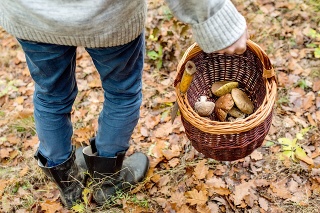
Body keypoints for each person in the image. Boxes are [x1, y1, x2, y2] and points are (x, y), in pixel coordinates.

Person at [0, 0, 248, 208]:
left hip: (32, 14)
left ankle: (69, 187)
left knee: (50, 95)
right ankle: (106, 183)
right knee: (121, 94)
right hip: (107, 16)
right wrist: (215, 17)